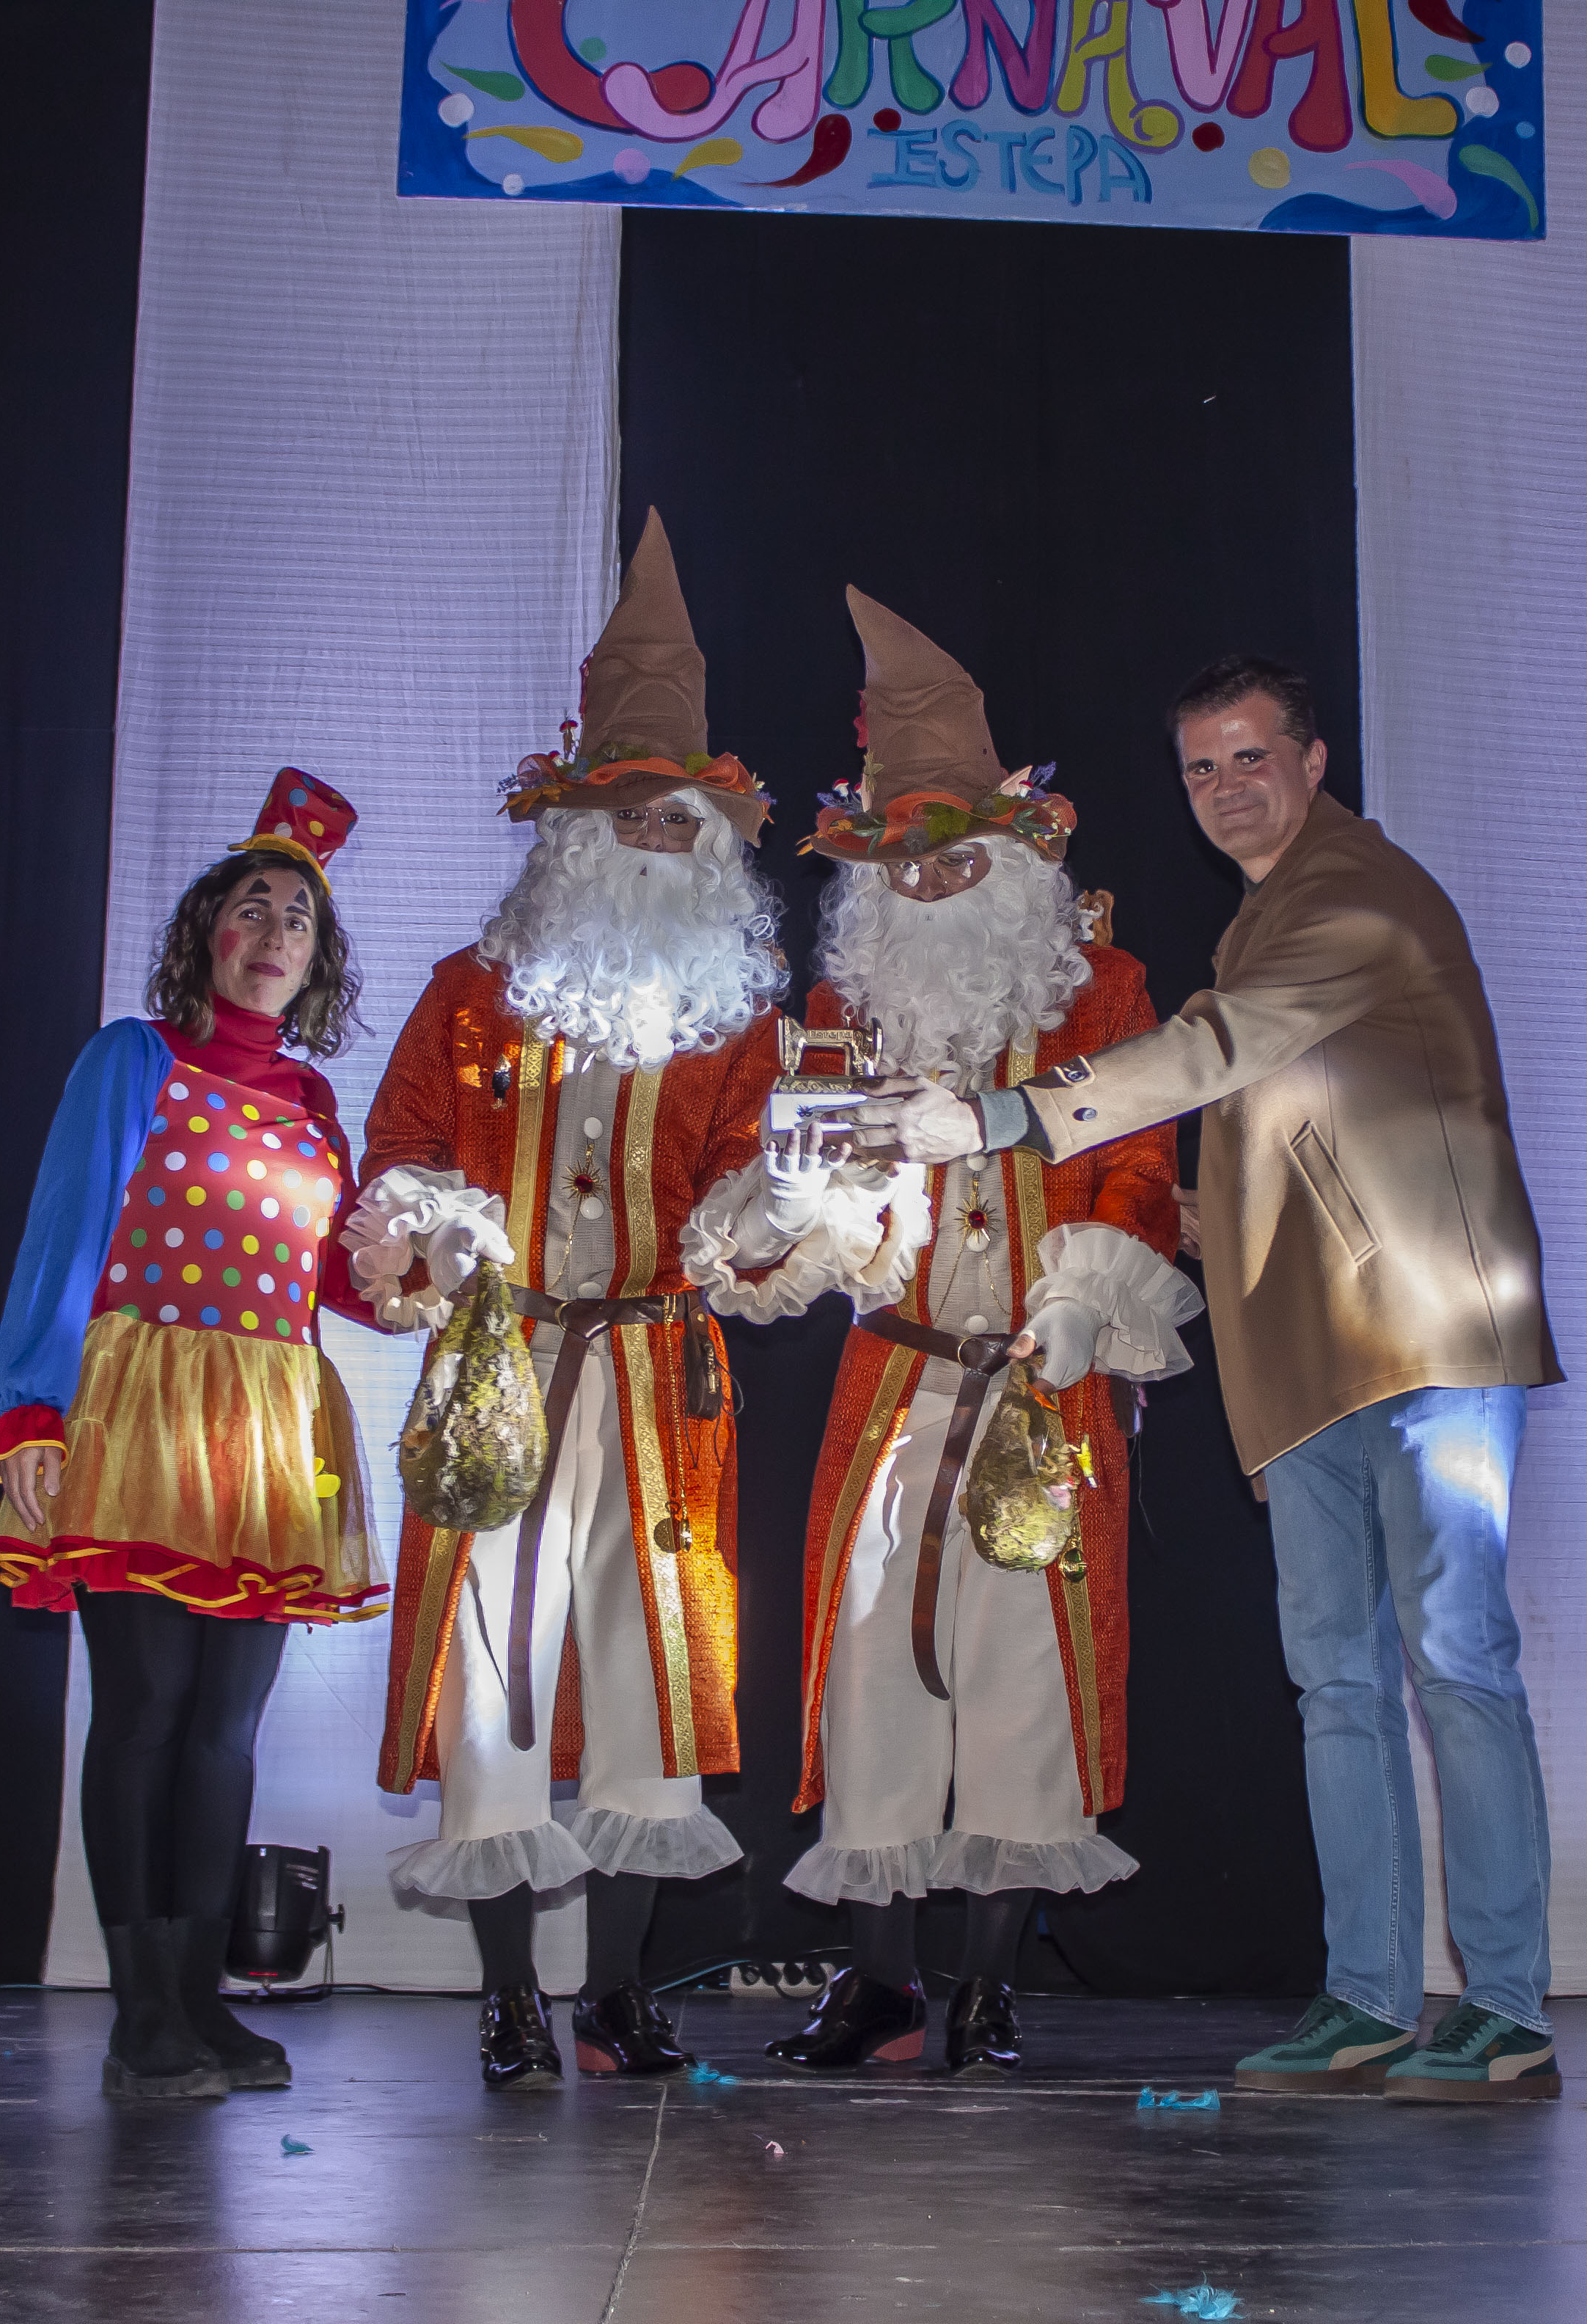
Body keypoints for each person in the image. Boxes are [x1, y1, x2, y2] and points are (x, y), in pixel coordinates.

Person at [858, 654, 1566, 2104]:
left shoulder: (1358, 892)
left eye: (1252, 757)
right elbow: (1297, 1127)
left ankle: (1506, 2007)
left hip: (1428, 1337)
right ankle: (1367, 1997)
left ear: (1313, 760)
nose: (1227, 788)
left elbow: (1221, 1051)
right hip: (1306, 1351)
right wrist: (1186, 1218)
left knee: (1456, 1663)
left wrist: (1003, 1115)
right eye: (1201, 767)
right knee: (1337, 1685)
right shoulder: (1269, 915)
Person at [689, 590, 1196, 2077]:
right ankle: (882, 1980)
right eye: (901, 862)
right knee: (875, 1671)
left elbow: (1139, 1169)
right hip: (896, 1388)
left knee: (1023, 1676)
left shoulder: (1104, 993)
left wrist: (1082, 1305)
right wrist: (789, 1207)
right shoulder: (838, 1014)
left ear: (1016, 856)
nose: (926, 881)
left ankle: (986, 1984)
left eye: (955, 854)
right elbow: (794, 1222)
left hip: (1042, 1383)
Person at [343, 512, 786, 2091]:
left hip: (660, 1381)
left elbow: (751, 1183)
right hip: (504, 1368)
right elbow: (399, 1151)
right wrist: (440, 1222)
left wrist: (766, 1214)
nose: (651, 838)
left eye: (674, 817)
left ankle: (618, 1992)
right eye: (625, 813)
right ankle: (506, 1998)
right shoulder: (472, 992)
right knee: (493, 1669)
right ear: (573, 828)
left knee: (650, 1673)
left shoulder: (739, 1020)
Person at [0, 770, 386, 2101]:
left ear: (316, 964)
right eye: (253, 908)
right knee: (147, 1709)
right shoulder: (132, 1059)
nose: (275, 935)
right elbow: (66, 1235)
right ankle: (139, 2011)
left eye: (299, 923)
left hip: (268, 1427)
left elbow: (333, 1276)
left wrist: (425, 1262)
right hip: (142, 1409)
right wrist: (33, 1409)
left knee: (225, 1729)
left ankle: (199, 1999)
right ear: (208, 930)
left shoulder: (313, 1103)